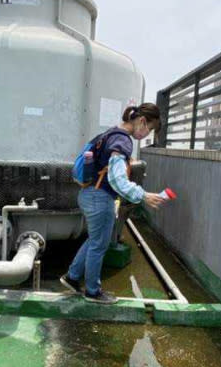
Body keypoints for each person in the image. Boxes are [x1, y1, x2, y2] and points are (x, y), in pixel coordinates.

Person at [60, 103, 166, 304]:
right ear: (142, 121)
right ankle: (93, 291)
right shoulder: (122, 141)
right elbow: (117, 179)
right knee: (100, 245)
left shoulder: (111, 134)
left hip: (89, 193)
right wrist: (143, 194)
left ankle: (72, 277)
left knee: (95, 240)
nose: (147, 135)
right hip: (100, 197)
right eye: (150, 129)